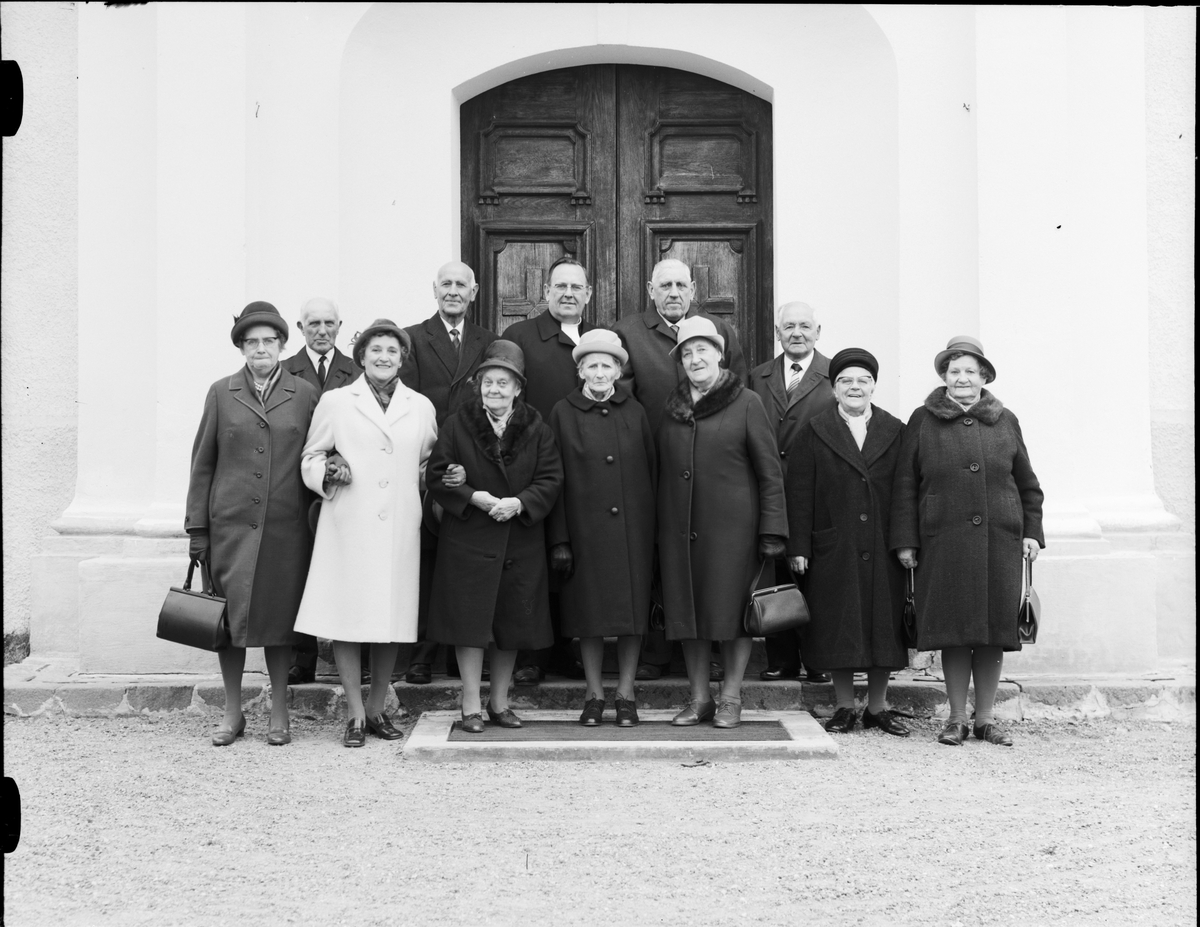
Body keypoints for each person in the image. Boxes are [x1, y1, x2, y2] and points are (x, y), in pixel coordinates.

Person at [891, 336, 1044, 747]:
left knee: (993, 631)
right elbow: (905, 485)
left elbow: (1028, 484)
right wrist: (906, 542)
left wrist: (1031, 531)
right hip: (943, 542)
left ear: (984, 377)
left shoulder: (1005, 420)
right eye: (954, 371)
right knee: (953, 629)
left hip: (1000, 541)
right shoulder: (923, 420)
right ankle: (957, 718)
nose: (962, 378)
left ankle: (986, 719)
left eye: (970, 372)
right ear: (944, 377)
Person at [292, 319, 437, 747]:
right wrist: (328, 471)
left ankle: (377, 710)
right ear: (361, 355)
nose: (383, 357)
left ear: (402, 359)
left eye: (392, 351)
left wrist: (443, 477)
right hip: (349, 522)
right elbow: (311, 455)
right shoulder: (337, 401)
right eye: (376, 350)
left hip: (399, 524)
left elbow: (428, 462)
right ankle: (354, 714)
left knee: (390, 618)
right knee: (348, 617)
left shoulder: (420, 405)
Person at [185, 302, 319, 746]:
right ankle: (232, 712)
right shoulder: (222, 393)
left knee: (279, 622)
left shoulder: (303, 394)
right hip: (230, 528)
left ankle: (279, 711)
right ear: (241, 347)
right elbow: (202, 464)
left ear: (282, 345)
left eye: (269, 341)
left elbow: (318, 455)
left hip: (286, 530)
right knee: (229, 623)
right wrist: (197, 529)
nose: (261, 348)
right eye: (252, 342)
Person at [612, 258, 749, 681]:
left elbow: (738, 387)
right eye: (664, 285)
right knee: (656, 557)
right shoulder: (628, 332)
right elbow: (621, 399)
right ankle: (655, 652)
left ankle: (709, 656)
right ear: (650, 290)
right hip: (651, 463)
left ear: (693, 288)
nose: (673, 292)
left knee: (708, 564)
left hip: (711, 468)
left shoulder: (719, 330)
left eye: (680, 285)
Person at [426, 341, 564, 733]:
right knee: (469, 623)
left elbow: (551, 479)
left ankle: (499, 701)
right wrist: (474, 497)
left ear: (518, 388)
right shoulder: (457, 423)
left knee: (510, 624)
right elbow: (437, 475)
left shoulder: (537, 427)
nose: (495, 390)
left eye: (504, 383)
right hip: (469, 536)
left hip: (518, 538)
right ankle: (470, 703)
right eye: (488, 383)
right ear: (479, 386)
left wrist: (520, 503)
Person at [657, 316, 787, 729]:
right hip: (680, 530)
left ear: (719, 354)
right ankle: (699, 699)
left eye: (703, 350)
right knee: (688, 616)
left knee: (733, 616)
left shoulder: (746, 401)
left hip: (734, 533)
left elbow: (770, 471)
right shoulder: (672, 408)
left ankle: (730, 697)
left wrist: (772, 530)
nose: (695, 359)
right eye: (687, 353)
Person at [786, 348, 910, 736]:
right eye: (845, 381)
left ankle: (876, 707)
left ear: (873, 385)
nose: (854, 387)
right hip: (833, 546)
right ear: (834, 388)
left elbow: (907, 491)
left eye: (862, 380)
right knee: (838, 623)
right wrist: (799, 547)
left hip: (883, 544)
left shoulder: (895, 429)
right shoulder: (816, 429)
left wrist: (906, 542)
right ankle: (842, 706)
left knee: (882, 626)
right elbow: (800, 491)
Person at [547, 330, 657, 727]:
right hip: (584, 534)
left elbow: (651, 469)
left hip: (633, 533)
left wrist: (653, 534)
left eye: (606, 365)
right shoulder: (563, 412)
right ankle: (593, 694)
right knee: (587, 616)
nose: (598, 372)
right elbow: (553, 478)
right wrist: (560, 538)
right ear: (580, 370)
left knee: (631, 617)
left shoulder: (635, 411)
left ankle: (626, 693)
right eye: (591, 365)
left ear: (618, 370)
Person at [400, 261, 499, 685]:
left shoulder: (489, 340)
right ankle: (423, 653)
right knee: (425, 558)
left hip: (473, 465)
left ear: (474, 292)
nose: (453, 291)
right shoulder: (413, 338)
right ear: (434, 290)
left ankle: (469, 651)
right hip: (425, 464)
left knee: (464, 560)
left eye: (462, 284)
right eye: (446, 284)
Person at [503, 256, 596, 684]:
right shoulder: (521, 337)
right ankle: (532, 654)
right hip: (534, 467)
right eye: (560, 286)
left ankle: (566, 650)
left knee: (575, 560)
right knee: (534, 562)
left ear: (588, 295)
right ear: (546, 293)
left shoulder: (599, 340)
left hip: (586, 469)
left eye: (576, 288)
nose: (568, 294)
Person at [749, 301, 835, 684]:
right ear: (777, 333)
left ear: (818, 331)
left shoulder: (835, 374)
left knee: (816, 576)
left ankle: (818, 658)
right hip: (768, 489)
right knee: (774, 573)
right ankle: (781, 659)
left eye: (804, 326)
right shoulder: (757, 376)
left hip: (816, 491)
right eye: (789, 326)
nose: (796, 332)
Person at [282, 296, 362, 685]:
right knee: (301, 571)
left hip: (346, 486)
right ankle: (303, 656)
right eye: (313, 324)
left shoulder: (357, 371)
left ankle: (355, 653)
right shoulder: (284, 372)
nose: (322, 331)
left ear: (340, 326)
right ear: (300, 329)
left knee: (348, 568)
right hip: (298, 486)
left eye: (329, 323)